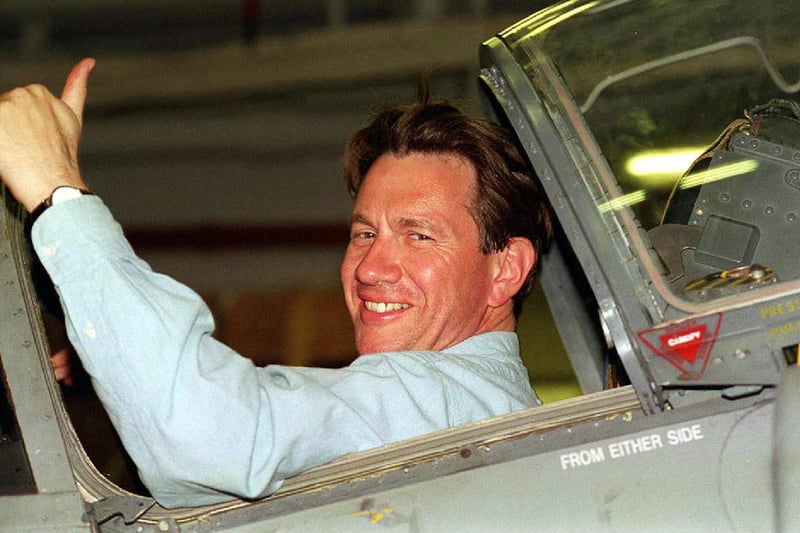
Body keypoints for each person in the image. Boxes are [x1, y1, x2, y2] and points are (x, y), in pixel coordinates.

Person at [0, 58, 552, 508]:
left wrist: (57, 191)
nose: (370, 268)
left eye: (419, 236)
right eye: (364, 234)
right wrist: (114, 367)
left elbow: (211, 436)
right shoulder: (457, 427)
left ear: (505, 269)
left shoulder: (442, 405)